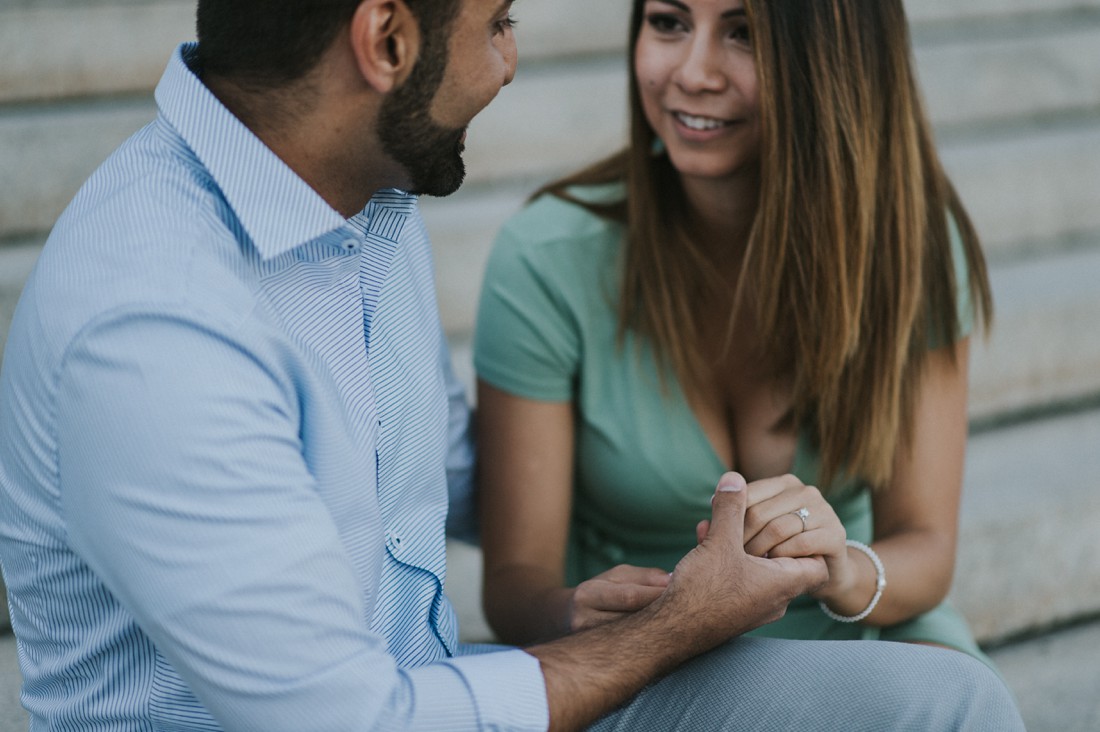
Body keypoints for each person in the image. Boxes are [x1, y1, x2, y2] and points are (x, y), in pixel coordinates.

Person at [0, 0, 1024, 729]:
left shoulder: (359, 208)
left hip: (445, 689)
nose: (508, 61)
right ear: (386, 39)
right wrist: (664, 628)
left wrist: (649, 582)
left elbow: (445, 469)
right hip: (384, 714)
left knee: (946, 700)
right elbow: (351, 719)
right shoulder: (156, 327)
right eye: (497, 22)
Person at [475, 0, 1000, 669]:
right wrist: (574, 609)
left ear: (837, 61)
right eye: (668, 22)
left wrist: (839, 570)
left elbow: (924, 547)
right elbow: (515, 586)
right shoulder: (545, 257)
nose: (693, 73)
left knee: (958, 703)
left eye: (744, 33)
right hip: (646, 656)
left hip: (856, 627)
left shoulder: (910, 245)